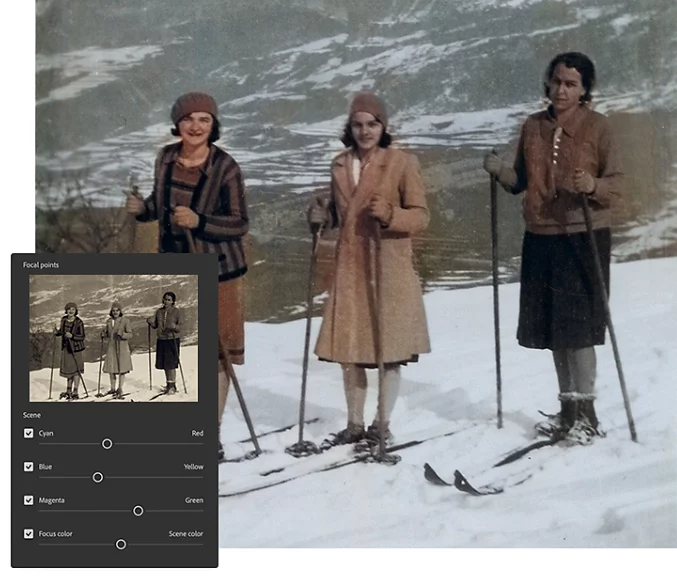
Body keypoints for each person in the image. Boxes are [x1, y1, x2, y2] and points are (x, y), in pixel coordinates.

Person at [482, 52, 623, 442]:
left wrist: (592, 186)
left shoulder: (599, 128)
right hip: (541, 236)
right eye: (557, 81)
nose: (561, 90)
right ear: (548, 83)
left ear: (584, 90)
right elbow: (519, 181)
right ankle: (567, 410)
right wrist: (498, 170)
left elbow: (618, 184)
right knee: (553, 329)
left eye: (571, 84)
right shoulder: (532, 126)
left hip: (582, 236)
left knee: (578, 330)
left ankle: (587, 415)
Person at [126, 92, 248, 459]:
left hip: (219, 271)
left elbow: (241, 223)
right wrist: (142, 209)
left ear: (213, 126)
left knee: (216, 356)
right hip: (175, 268)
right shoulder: (165, 158)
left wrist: (201, 222)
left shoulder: (226, 167)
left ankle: (211, 433)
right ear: (177, 123)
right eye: (188, 119)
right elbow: (159, 206)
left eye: (204, 120)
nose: (196, 126)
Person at [307, 91, 431, 445]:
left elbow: (421, 217)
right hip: (351, 268)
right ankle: (355, 424)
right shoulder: (340, 164)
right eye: (358, 125)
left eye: (372, 124)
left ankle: (382, 423)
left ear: (383, 126)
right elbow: (337, 218)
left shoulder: (401, 163)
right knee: (351, 349)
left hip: (388, 267)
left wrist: (391, 215)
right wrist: (318, 217)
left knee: (389, 350)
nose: (365, 131)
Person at [147, 292, 182, 394]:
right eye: (165, 299)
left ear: (173, 302)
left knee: (171, 363)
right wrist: (150, 322)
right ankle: (168, 384)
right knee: (165, 363)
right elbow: (156, 326)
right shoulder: (159, 311)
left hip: (172, 339)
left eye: (169, 300)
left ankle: (173, 386)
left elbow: (180, 327)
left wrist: (174, 327)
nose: (166, 301)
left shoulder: (176, 312)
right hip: (162, 339)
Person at [54, 302, 86, 400]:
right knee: (69, 371)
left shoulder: (79, 322)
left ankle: (75, 391)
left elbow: (82, 336)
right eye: (69, 309)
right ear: (66, 310)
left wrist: (72, 336)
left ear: (76, 311)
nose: (71, 311)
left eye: (73, 309)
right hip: (66, 348)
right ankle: (68, 390)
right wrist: (56, 332)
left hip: (76, 348)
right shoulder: (63, 320)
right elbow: (61, 332)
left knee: (76, 370)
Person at [101, 302, 133, 398]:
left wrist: (122, 334)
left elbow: (130, 334)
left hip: (122, 348)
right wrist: (103, 334)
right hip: (112, 348)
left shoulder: (125, 321)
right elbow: (108, 334)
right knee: (112, 369)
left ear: (120, 311)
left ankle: (120, 388)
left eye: (117, 310)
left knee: (121, 369)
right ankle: (112, 388)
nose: (115, 312)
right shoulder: (109, 321)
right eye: (113, 310)